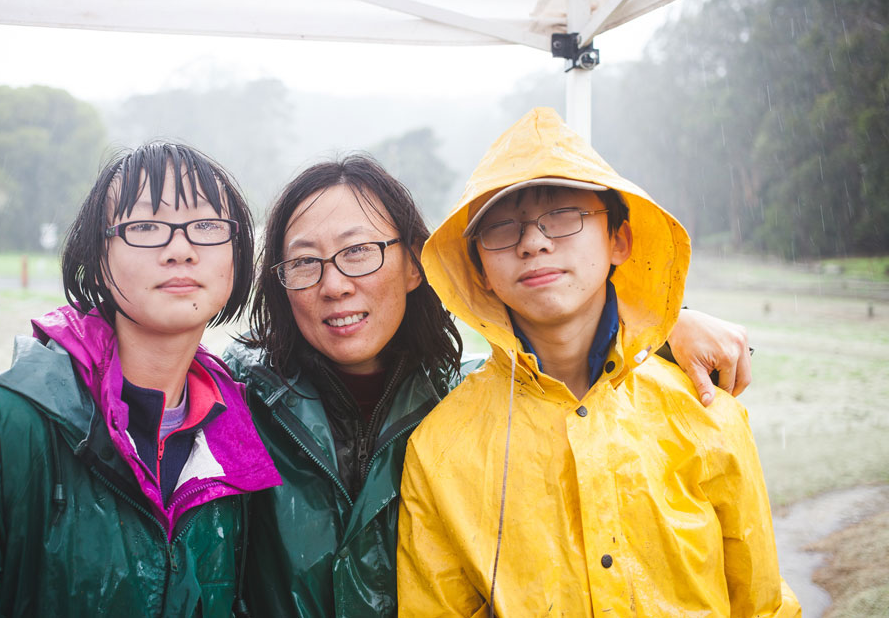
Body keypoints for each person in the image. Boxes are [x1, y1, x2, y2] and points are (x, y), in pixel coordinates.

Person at [222, 153, 757, 617]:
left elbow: (553, 353)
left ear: (416, 265)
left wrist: (666, 324)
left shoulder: (458, 400)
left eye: (358, 251)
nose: (334, 284)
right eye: (304, 261)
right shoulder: (236, 406)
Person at [397, 108, 800, 616]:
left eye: (564, 216)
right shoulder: (440, 451)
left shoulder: (706, 412)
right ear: (479, 270)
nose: (533, 242)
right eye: (501, 228)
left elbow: (760, 603)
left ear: (619, 241)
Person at [0, 143, 280, 617]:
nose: (180, 249)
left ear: (238, 253)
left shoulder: (241, 435)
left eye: (207, 226)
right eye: (145, 226)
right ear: (98, 259)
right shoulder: (2, 430)